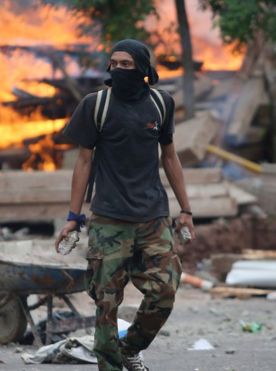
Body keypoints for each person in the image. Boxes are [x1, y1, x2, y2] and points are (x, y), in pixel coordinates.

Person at [56, 39, 196, 371]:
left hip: (153, 218)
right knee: (105, 303)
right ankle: (109, 365)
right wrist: (73, 217)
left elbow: (171, 157)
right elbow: (84, 162)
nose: (117, 70)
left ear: (144, 70)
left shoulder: (162, 103)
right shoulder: (96, 105)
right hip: (108, 219)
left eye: (126, 65)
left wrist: (186, 211)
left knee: (164, 293)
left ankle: (129, 348)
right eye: (113, 63)